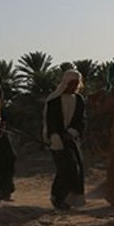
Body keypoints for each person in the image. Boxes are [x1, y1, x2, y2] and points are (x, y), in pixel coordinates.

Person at [43, 69, 86, 210]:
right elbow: (51, 121)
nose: (74, 86)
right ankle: (58, 197)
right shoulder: (54, 100)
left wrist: (72, 132)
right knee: (65, 168)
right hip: (57, 140)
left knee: (76, 168)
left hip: (72, 139)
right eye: (72, 83)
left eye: (76, 83)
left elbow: (81, 120)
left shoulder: (79, 100)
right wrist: (56, 136)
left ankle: (69, 199)